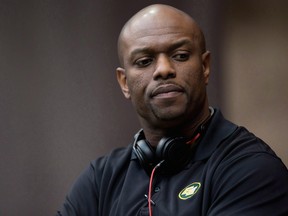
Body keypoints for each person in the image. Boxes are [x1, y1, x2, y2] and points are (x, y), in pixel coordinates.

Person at [57, 4, 288, 216]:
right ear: (124, 82)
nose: (164, 69)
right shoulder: (100, 179)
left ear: (205, 67)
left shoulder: (251, 169)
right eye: (145, 61)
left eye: (180, 56)